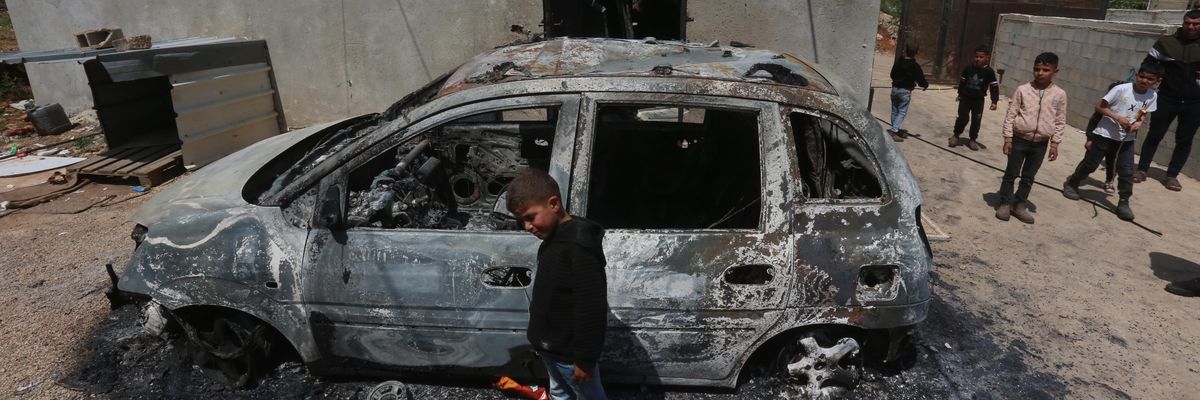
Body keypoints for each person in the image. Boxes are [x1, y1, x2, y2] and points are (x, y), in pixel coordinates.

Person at [506, 169, 609, 400]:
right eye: (522, 220)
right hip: (551, 349)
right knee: (560, 393)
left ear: (553, 204)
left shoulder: (579, 248)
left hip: (570, 356)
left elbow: (591, 309)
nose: (527, 227)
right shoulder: (553, 237)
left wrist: (585, 360)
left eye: (531, 217)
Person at [1062, 63, 1163, 221]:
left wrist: (1139, 123)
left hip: (1126, 140)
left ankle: (1124, 202)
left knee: (1126, 171)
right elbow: (1100, 107)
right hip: (1105, 135)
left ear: (1157, 81)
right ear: (1136, 75)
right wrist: (1118, 118)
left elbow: (1143, 112)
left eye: (1150, 79)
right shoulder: (1121, 89)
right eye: (1142, 76)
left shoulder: (1152, 96)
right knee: (1091, 163)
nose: (1144, 81)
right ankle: (1072, 183)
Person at [995, 52, 1067, 224]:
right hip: (1019, 140)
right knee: (1011, 173)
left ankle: (1019, 205)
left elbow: (1060, 120)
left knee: (1028, 176)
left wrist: (1055, 143)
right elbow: (1010, 115)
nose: (1040, 73)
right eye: (1036, 69)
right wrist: (1008, 139)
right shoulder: (1023, 90)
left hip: (1040, 144)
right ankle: (1005, 202)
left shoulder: (1059, 94)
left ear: (1055, 72)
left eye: (1045, 70)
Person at [1136, 9, 1200, 192]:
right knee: (1154, 135)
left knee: (1185, 140)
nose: (1191, 27)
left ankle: (1172, 176)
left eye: (1196, 24)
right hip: (1166, 98)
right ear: (1183, 23)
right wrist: (1148, 84)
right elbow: (1148, 65)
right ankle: (1141, 170)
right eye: (1188, 23)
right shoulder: (1166, 43)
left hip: (1195, 103)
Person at [951, 45, 1001, 151]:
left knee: (976, 120)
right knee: (962, 117)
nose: (978, 59)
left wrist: (994, 101)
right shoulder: (968, 68)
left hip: (978, 100)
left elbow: (994, 87)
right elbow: (962, 81)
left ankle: (972, 139)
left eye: (981, 57)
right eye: (976, 56)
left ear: (987, 57)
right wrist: (960, 94)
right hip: (965, 98)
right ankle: (955, 135)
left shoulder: (989, 72)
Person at [1081, 81, 1127, 194]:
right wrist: (1090, 139)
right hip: (1099, 138)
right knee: (1090, 161)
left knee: (1112, 163)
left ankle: (1109, 181)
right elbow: (1092, 123)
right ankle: (1078, 176)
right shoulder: (1101, 110)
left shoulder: (1124, 110)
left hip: (1116, 141)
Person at [889, 44, 930, 142]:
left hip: (894, 89)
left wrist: (898, 81)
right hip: (905, 91)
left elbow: (892, 74)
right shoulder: (914, 66)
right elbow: (921, 80)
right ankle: (894, 131)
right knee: (902, 112)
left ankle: (895, 128)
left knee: (895, 110)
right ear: (916, 53)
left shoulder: (898, 62)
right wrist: (925, 85)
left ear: (906, 51)